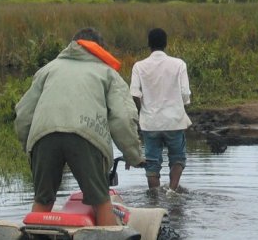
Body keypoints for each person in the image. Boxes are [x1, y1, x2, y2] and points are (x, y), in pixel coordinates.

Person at [15, 27, 145, 226]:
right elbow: (123, 118)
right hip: (86, 134)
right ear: (100, 50)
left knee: (43, 199)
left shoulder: (48, 69)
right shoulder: (107, 73)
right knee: (101, 201)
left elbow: (23, 114)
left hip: (43, 136)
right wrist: (133, 155)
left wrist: (30, 146)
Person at [130, 27, 192, 191]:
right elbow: (185, 93)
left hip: (150, 124)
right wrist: (181, 105)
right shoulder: (179, 64)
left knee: (152, 162)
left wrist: (143, 111)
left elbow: (135, 94)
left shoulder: (139, 66)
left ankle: (154, 198)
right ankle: (172, 191)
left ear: (149, 44)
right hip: (174, 121)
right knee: (178, 158)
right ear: (166, 43)